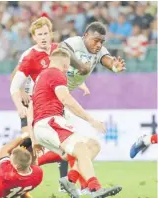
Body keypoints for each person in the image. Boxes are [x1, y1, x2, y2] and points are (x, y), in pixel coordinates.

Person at [10, 16, 90, 192]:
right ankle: (15, 179)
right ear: (34, 37)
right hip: (36, 108)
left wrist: (80, 83)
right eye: (40, 34)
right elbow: (14, 82)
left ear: (51, 34)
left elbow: (68, 71)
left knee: (69, 143)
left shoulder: (57, 50)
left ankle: (71, 184)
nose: (44, 37)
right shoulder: (29, 56)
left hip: (57, 108)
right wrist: (20, 104)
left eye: (46, 33)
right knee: (28, 145)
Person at [31, 47, 122, 198]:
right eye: (68, 66)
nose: (68, 70)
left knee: (92, 145)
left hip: (43, 125)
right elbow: (66, 100)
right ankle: (95, 188)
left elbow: (33, 106)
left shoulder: (42, 75)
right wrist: (91, 120)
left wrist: (35, 136)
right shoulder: (56, 74)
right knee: (80, 148)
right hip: (51, 122)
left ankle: (70, 179)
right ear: (66, 64)